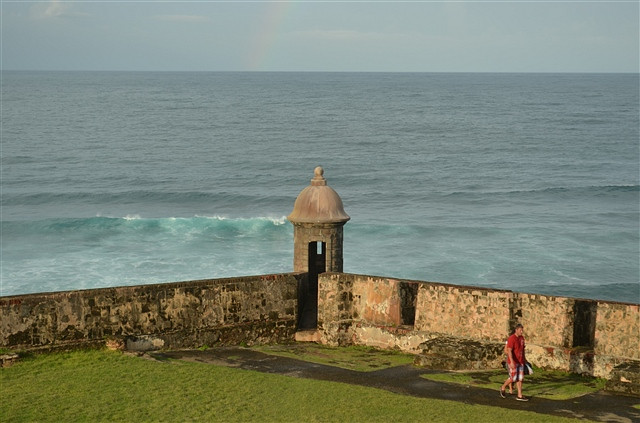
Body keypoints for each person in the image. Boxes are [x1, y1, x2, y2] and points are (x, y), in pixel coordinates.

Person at [500, 323, 529, 401]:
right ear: (516, 330)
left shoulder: (522, 338)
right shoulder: (511, 338)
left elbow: (522, 349)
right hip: (514, 361)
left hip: (520, 361)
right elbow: (509, 350)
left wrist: (524, 359)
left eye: (522, 330)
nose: (522, 332)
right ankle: (503, 386)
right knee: (513, 378)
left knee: (520, 378)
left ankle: (520, 395)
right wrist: (512, 361)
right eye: (520, 330)